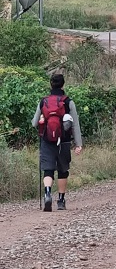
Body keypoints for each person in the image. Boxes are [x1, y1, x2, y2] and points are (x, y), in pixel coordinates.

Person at [32, 72, 82, 212]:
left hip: (47, 140)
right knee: (62, 171)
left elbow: (35, 123)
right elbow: (75, 125)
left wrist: (43, 119)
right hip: (64, 142)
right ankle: (60, 200)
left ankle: (47, 194)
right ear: (63, 84)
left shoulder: (44, 101)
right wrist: (78, 144)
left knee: (48, 170)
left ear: (50, 84)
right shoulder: (68, 102)